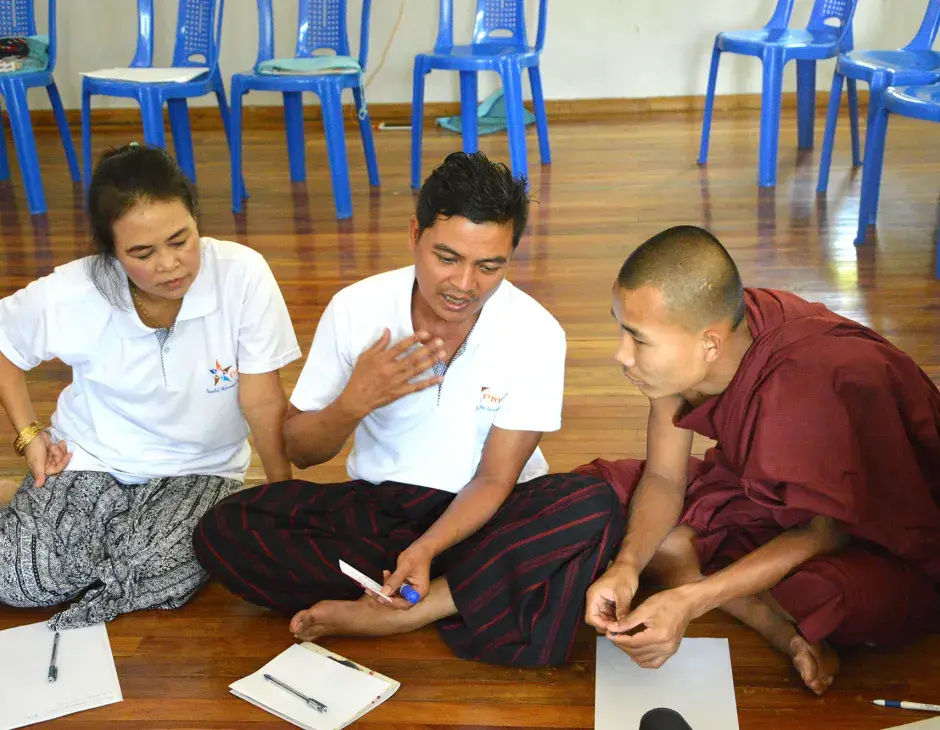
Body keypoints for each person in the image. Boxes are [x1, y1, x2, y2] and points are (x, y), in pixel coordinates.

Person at [194, 151, 624, 667]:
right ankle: (482, 593)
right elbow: (300, 451)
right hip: (381, 514)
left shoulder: (536, 333)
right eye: (447, 258)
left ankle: (405, 610)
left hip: (486, 518)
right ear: (414, 234)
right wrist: (356, 401)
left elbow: (493, 481)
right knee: (225, 529)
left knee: (594, 503)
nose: (464, 285)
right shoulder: (357, 309)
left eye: (490, 266)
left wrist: (426, 549)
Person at [580, 225, 940, 695]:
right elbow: (666, 477)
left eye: (638, 339)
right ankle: (774, 624)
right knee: (653, 540)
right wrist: (627, 564)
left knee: (830, 599)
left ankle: (753, 605)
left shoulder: (801, 388)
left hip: (881, 525)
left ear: (710, 343)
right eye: (619, 328)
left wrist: (688, 600)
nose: (620, 354)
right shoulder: (696, 343)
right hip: (771, 486)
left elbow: (825, 531)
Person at [0, 144, 302, 630]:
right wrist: (29, 435)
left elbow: (262, 399)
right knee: (19, 579)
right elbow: (5, 345)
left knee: (160, 565)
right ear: (110, 252)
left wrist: (283, 495)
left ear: (196, 217)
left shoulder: (242, 274)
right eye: (142, 253)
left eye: (180, 240)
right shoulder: (75, 290)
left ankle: (58, 529)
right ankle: (61, 527)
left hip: (201, 470)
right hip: (92, 456)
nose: (169, 265)